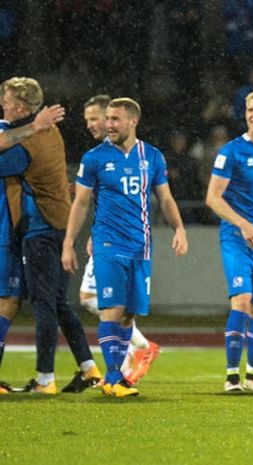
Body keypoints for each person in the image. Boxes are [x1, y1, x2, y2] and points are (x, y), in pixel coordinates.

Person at [62, 97, 188, 398]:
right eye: (107, 118)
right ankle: (115, 377)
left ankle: (116, 376)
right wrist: (68, 243)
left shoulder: (153, 157)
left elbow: (166, 199)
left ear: (133, 121)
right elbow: (80, 202)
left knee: (129, 314)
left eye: (115, 119)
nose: (109, 124)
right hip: (108, 244)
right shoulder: (94, 158)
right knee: (110, 309)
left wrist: (179, 228)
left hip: (140, 247)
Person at [0, 77, 101, 395]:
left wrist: (22, 130)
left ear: (19, 106)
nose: (2, 104)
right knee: (58, 303)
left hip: (40, 229)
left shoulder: (29, 140)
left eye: (5, 100)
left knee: (40, 304)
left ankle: (45, 379)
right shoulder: (50, 131)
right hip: (57, 225)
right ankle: (88, 367)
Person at [205, 90, 253, 393]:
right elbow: (212, 197)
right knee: (241, 300)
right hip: (236, 236)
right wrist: (243, 223)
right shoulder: (231, 151)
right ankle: (231, 376)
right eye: (251, 110)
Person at [78, 94, 161, 387]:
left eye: (95, 118)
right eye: (88, 119)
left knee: (105, 304)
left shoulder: (139, 154)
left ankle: (134, 354)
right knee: (104, 303)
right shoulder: (97, 156)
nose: (93, 125)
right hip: (106, 242)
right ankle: (122, 364)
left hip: (128, 243)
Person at [0, 103, 66, 394]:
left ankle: (79, 369)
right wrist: (33, 127)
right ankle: (46, 377)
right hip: (15, 232)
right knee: (20, 302)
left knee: (37, 301)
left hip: (22, 231)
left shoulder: (27, 138)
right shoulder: (31, 134)